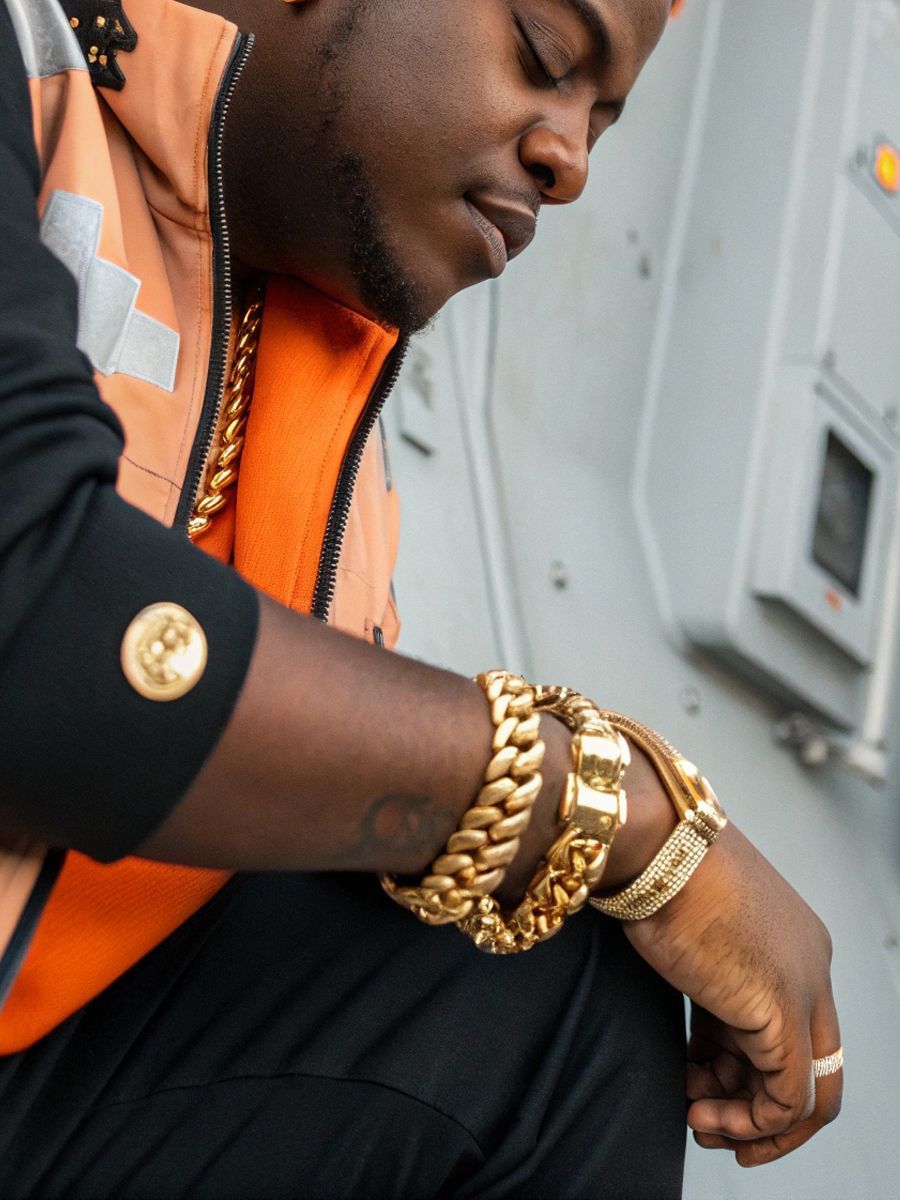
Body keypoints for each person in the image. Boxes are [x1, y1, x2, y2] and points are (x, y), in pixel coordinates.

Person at [0, 0, 841, 1196]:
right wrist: (614, 810)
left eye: (602, 120)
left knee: (555, 1011)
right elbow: (43, 631)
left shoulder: (329, 423)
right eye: (546, 58)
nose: (571, 162)